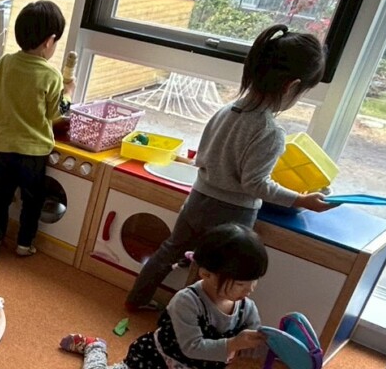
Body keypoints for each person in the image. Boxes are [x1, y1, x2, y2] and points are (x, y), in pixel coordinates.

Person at [126, 24, 335, 311]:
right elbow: (255, 184)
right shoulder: (269, 131)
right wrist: (301, 200)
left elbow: (203, 156)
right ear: (291, 86)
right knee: (214, 274)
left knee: (170, 250)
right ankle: (185, 319)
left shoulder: (226, 110)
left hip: (197, 199)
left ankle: (136, 300)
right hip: (232, 213)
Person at [60, 224, 269, 369]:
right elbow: (192, 347)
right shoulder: (187, 301)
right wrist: (233, 344)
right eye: (241, 284)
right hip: (153, 368)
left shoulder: (247, 308)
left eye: (254, 281)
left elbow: (253, 347)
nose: (250, 289)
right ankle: (95, 346)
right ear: (206, 273)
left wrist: (270, 344)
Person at [0, 0, 73, 257]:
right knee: (32, 201)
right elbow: (56, 113)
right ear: (49, 41)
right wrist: (68, 92)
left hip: (3, 146)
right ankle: (24, 244)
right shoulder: (51, 75)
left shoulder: (5, 62)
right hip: (33, 151)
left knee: (0, 198)